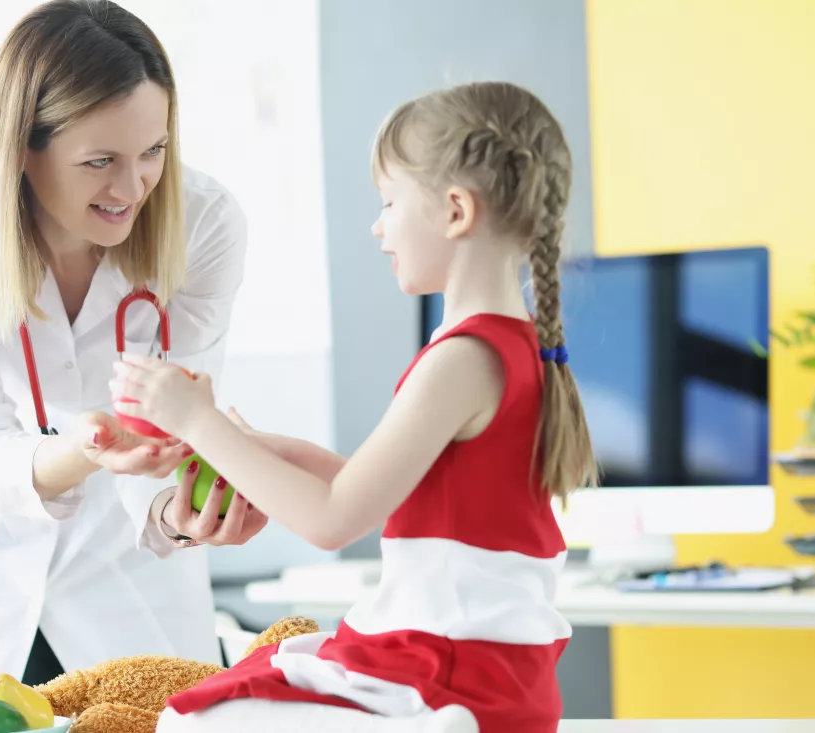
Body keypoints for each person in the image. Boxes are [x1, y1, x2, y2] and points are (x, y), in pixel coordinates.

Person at [112, 81, 600, 733]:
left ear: (456, 210)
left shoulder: (461, 360)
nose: (378, 224)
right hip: (498, 672)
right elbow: (400, 493)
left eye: (390, 200)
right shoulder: (514, 348)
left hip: (451, 672)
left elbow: (334, 519)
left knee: (189, 720)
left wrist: (194, 417)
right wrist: (262, 451)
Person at [0, 0, 268, 700]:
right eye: (100, 161)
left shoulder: (206, 222)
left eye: (153, 152)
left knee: (153, 713)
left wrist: (174, 510)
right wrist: (94, 445)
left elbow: (180, 424)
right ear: (24, 149)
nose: (132, 189)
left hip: (127, 556)